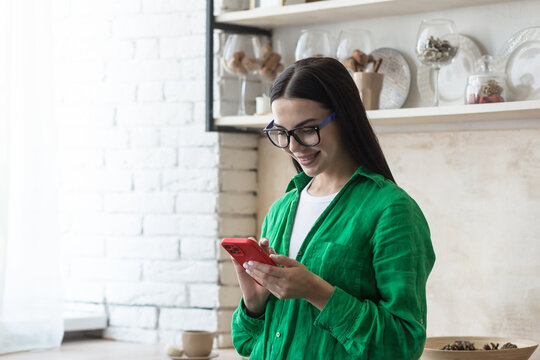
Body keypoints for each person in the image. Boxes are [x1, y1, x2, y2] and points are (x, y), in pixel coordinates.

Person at [229, 57, 435, 359]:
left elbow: (402, 345)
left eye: (307, 129)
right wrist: (254, 302)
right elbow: (246, 342)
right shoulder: (280, 210)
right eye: (282, 133)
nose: (294, 147)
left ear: (345, 117)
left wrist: (316, 290)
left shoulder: (392, 211)